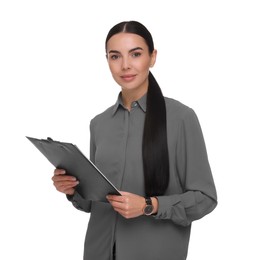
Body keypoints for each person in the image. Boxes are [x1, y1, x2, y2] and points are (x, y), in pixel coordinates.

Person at [52, 20, 217, 260]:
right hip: (98, 251)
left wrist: (149, 206)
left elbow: (205, 199)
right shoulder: (99, 124)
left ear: (153, 57)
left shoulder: (181, 118)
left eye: (136, 54)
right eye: (115, 56)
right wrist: (72, 190)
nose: (125, 65)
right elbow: (93, 204)